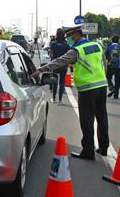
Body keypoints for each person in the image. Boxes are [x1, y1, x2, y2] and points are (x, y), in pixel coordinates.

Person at [32, 26, 109, 160]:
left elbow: (60, 61)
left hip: (87, 88)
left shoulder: (77, 50)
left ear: (77, 35)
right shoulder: (97, 45)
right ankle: (103, 148)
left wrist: (41, 69)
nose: (70, 39)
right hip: (102, 85)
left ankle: (88, 150)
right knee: (102, 118)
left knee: (87, 120)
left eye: (71, 36)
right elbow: (104, 63)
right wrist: (103, 78)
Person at [47, 28, 70, 104]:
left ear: (56, 35)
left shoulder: (53, 43)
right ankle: (60, 100)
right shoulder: (66, 44)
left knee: (54, 81)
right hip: (63, 65)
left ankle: (54, 99)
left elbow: (50, 54)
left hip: (55, 65)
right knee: (62, 82)